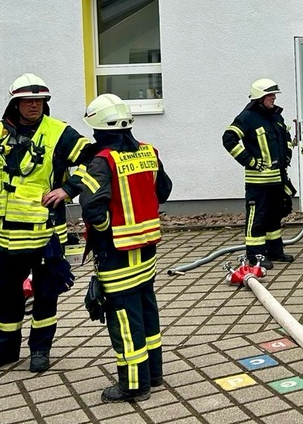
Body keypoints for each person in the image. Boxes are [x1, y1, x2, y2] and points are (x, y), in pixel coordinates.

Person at [0, 73, 90, 374]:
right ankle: (5, 349)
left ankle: (40, 349)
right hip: (6, 235)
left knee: (46, 294)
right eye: (28, 101)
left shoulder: (59, 133)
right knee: (7, 295)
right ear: (15, 103)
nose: (35, 106)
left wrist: (68, 189)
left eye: (39, 101)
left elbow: (94, 160)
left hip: (46, 235)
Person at [76, 94, 173, 403]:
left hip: (118, 253)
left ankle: (133, 385)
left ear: (101, 129)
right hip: (147, 248)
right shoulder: (148, 152)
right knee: (146, 310)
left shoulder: (103, 161)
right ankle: (154, 374)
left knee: (124, 320)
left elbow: (92, 207)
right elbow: (165, 190)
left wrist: (104, 233)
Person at [222, 78, 295, 268]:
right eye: (270, 95)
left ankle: (275, 251)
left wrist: (287, 155)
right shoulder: (247, 117)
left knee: (274, 216)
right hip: (258, 182)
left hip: (278, 179)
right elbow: (229, 139)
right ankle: (256, 256)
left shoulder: (275, 116)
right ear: (259, 98)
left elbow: (285, 137)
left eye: (274, 95)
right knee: (257, 218)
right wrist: (250, 161)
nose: (273, 98)